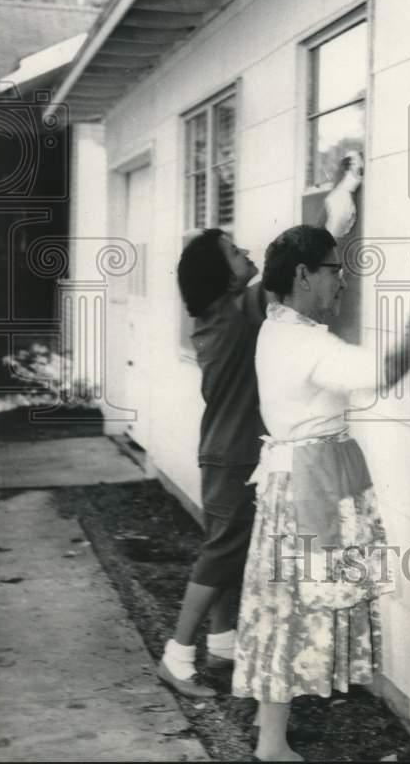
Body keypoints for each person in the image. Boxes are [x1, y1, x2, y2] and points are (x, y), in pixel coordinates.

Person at [232, 225, 410, 762]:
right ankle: (271, 743)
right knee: (293, 605)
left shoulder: (279, 327)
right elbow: (382, 371)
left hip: (305, 475)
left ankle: (265, 717)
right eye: (334, 270)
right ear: (303, 275)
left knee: (285, 601)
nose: (342, 282)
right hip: (307, 482)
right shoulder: (305, 341)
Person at [156, 228, 268, 698]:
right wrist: (340, 197)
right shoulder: (237, 312)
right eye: (235, 253)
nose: (247, 253)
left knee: (231, 549)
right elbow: (289, 267)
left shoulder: (219, 315)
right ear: (222, 278)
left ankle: (222, 644)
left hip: (226, 451)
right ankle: (177, 656)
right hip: (234, 455)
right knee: (222, 552)